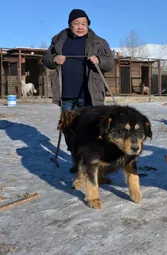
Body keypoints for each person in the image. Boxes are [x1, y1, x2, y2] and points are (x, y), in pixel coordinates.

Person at [42, 8, 115, 173]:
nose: (80, 27)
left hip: (90, 94)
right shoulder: (60, 40)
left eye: (83, 23)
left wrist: (99, 60)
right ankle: (77, 160)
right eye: (76, 24)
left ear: (88, 25)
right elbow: (46, 58)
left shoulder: (98, 42)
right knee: (69, 129)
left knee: (91, 130)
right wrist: (54, 59)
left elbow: (110, 63)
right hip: (66, 94)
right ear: (70, 25)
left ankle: (92, 162)